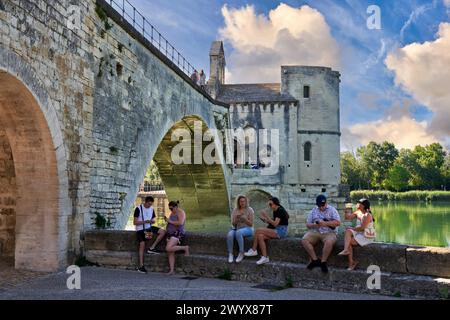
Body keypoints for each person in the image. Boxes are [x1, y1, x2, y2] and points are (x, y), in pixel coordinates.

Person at [301, 195, 341, 273]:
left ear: (326, 203)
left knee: (329, 242)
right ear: (317, 204)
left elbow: (338, 222)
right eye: (320, 206)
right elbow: (308, 224)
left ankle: (323, 262)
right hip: (316, 231)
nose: (322, 207)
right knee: (304, 240)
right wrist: (315, 225)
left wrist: (325, 223)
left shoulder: (332, 210)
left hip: (330, 232)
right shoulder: (313, 210)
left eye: (323, 205)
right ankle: (315, 260)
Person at [244, 197, 289, 265]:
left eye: (270, 204)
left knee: (258, 230)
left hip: (280, 231)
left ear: (275, 203)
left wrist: (266, 216)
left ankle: (253, 249)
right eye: (269, 205)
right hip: (276, 229)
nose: (270, 206)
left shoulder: (280, 210)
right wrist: (265, 219)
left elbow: (275, 224)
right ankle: (265, 257)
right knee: (260, 236)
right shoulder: (275, 210)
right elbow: (273, 223)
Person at [338, 198, 376, 270]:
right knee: (348, 232)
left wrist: (352, 228)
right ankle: (346, 250)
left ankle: (351, 263)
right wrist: (346, 210)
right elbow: (348, 218)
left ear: (364, 206)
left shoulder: (367, 215)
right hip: (359, 233)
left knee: (349, 240)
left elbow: (362, 228)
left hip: (366, 235)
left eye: (359, 203)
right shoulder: (358, 212)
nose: (357, 204)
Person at [227, 195, 254, 263]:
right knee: (229, 235)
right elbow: (233, 224)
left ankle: (241, 252)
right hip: (237, 228)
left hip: (248, 228)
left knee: (238, 232)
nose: (242, 203)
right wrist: (236, 219)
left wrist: (244, 219)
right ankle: (231, 253)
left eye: (244, 201)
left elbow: (251, 224)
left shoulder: (250, 210)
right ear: (238, 202)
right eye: (241, 201)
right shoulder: (235, 210)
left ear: (246, 202)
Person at [133, 196, 158, 273]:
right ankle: (141, 265)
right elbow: (135, 222)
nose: (149, 206)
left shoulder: (151, 209)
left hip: (148, 228)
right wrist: (145, 222)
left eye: (151, 204)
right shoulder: (138, 208)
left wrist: (152, 221)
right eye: (148, 204)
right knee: (142, 245)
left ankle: (152, 248)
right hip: (140, 230)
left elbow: (153, 219)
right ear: (145, 202)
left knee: (163, 232)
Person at [165, 200, 190, 275]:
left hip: (177, 233)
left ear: (176, 207)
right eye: (169, 209)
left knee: (168, 248)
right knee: (170, 252)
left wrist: (169, 221)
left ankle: (185, 248)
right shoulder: (173, 212)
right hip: (170, 233)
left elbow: (180, 223)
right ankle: (172, 270)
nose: (171, 210)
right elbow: (171, 222)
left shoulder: (181, 212)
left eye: (171, 208)